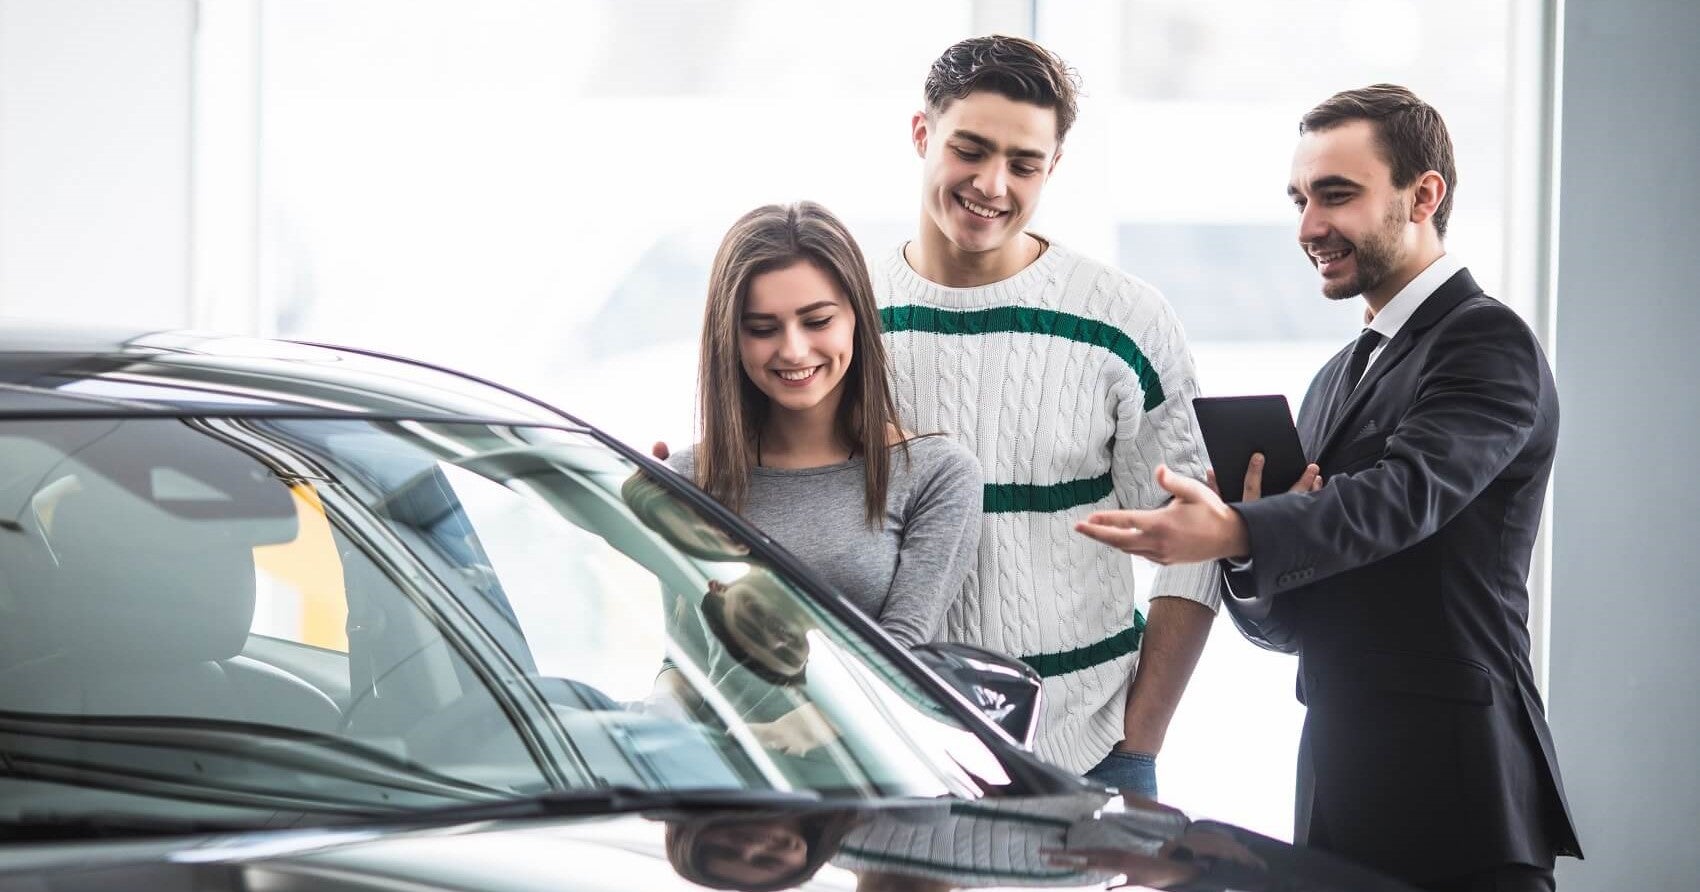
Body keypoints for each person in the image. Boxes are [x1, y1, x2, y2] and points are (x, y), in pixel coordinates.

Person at [1074, 85, 1582, 891]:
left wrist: (1240, 531)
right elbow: (1292, 623)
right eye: (1300, 200)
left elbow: (1404, 495)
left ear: (1424, 196)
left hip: (1465, 796)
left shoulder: (1488, 342)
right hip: (1338, 791)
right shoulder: (1335, 378)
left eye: (1336, 195)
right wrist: (1246, 546)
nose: (1309, 227)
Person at [873, 35, 1219, 796]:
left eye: (1024, 164)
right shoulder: (846, 320)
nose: (992, 184)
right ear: (922, 134)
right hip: (896, 756)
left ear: (1053, 166)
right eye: (970, 150)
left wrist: (1139, 740)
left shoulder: (1124, 319)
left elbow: (1195, 541)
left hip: (1091, 753)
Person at [666, 201, 982, 653]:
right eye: (762, 329)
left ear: (857, 317)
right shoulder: (689, 479)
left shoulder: (936, 474)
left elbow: (898, 662)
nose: (794, 350)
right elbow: (683, 660)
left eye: (817, 321)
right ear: (730, 337)